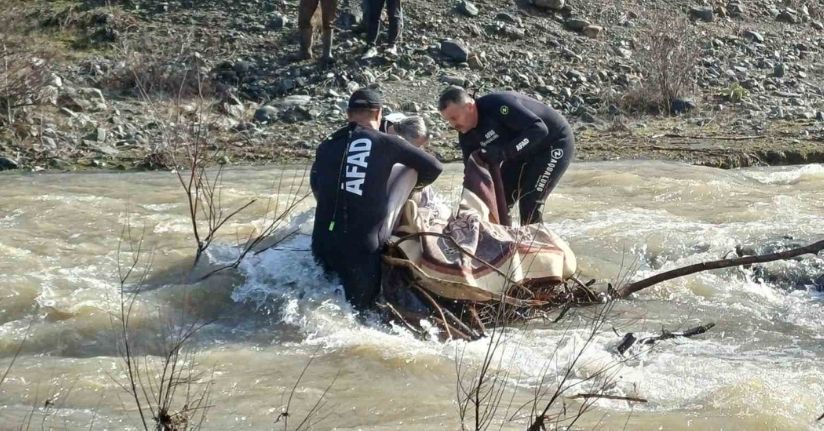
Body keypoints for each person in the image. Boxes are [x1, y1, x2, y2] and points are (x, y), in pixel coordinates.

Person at [310, 89, 443, 310]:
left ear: (347, 114)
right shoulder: (386, 142)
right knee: (361, 317)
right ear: (379, 113)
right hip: (361, 249)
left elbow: (316, 185)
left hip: (321, 243)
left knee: (321, 306)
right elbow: (434, 167)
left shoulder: (326, 145)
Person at [438, 86, 574, 225]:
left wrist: (505, 152)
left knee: (529, 203)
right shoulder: (467, 137)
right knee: (499, 200)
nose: (453, 125)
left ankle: (537, 243)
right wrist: (465, 208)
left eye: (454, 118)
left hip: (553, 142)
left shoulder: (499, 105)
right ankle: (505, 241)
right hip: (519, 150)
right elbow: (471, 174)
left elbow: (539, 129)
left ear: (469, 107)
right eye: (448, 120)